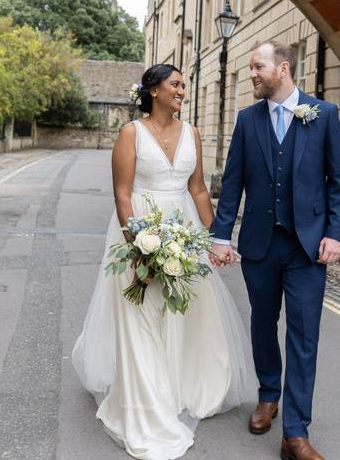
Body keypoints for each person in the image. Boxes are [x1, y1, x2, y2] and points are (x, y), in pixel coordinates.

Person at [72, 64, 255, 460]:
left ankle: (179, 384)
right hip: (140, 229)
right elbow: (122, 195)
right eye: (175, 84)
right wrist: (137, 247)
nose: (182, 91)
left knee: (186, 312)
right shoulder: (130, 134)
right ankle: (146, 397)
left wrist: (216, 238)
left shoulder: (193, 133)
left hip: (184, 231)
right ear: (154, 90)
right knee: (141, 313)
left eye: (184, 86)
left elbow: (199, 189)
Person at [210, 41, 340, 460]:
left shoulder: (323, 115)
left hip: (307, 247)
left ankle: (295, 432)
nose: (252, 74)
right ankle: (268, 394)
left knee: (304, 336)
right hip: (259, 243)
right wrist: (221, 235)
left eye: (258, 67)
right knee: (262, 324)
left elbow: (338, 184)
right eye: (250, 68)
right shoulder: (247, 120)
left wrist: (335, 233)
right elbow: (232, 182)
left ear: (283, 68)